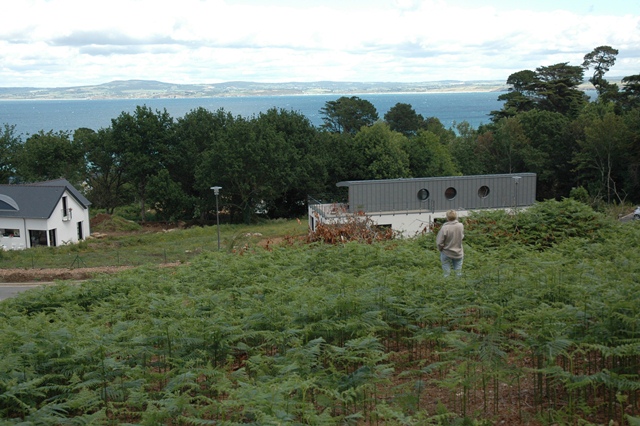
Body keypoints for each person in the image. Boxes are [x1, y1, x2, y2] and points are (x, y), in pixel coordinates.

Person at [436, 210, 464, 277]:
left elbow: (439, 242)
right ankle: (459, 286)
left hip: (446, 252)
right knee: (458, 272)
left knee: (446, 274)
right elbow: (462, 236)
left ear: (447, 217)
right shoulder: (460, 225)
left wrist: (441, 249)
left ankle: (447, 286)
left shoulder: (444, 228)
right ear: (456, 217)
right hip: (458, 252)